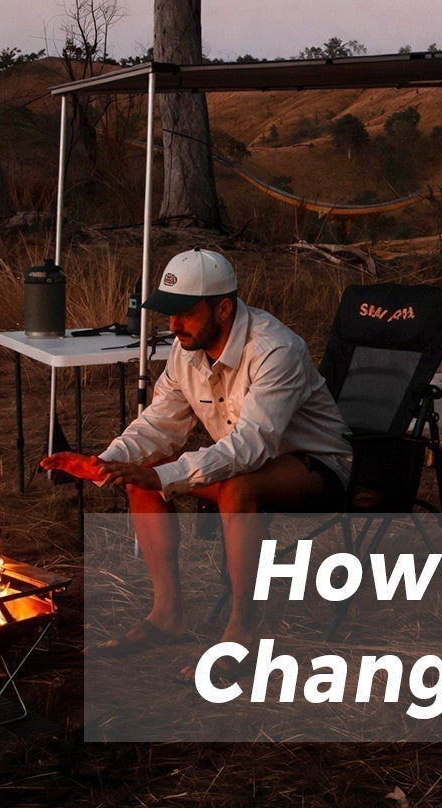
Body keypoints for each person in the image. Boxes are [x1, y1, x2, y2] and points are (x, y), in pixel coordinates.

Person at [44, 247, 353, 658]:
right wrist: (109, 461)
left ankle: (243, 631)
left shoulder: (275, 350)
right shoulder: (185, 351)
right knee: (143, 472)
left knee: (236, 487)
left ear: (223, 308)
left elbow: (251, 446)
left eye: (185, 313)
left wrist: (166, 475)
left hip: (318, 467)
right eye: (169, 313)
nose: (173, 325)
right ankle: (168, 613)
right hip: (245, 464)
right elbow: (160, 423)